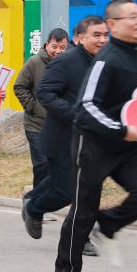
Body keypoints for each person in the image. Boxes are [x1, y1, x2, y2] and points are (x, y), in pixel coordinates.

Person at [51, 0, 137, 272]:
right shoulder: (106, 60)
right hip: (93, 145)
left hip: (126, 146)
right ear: (113, 24)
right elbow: (85, 107)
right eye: (132, 17)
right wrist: (120, 130)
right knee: (83, 210)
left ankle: (106, 225)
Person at [21, 17, 107, 256]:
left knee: (86, 190)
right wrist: (75, 113)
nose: (102, 40)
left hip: (92, 140)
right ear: (79, 38)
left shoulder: (105, 62)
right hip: (62, 138)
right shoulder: (65, 61)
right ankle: (34, 207)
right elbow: (45, 93)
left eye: (105, 35)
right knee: (66, 192)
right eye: (96, 35)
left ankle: (81, 238)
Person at [13, 29, 69, 193]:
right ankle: (35, 202)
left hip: (58, 126)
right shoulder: (34, 62)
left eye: (62, 47)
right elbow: (19, 86)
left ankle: (41, 200)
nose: (58, 51)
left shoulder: (68, 63)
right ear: (47, 44)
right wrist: (33, 107)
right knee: (42, 164)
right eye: (54, 46)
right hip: (36, 125)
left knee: (56, 166)